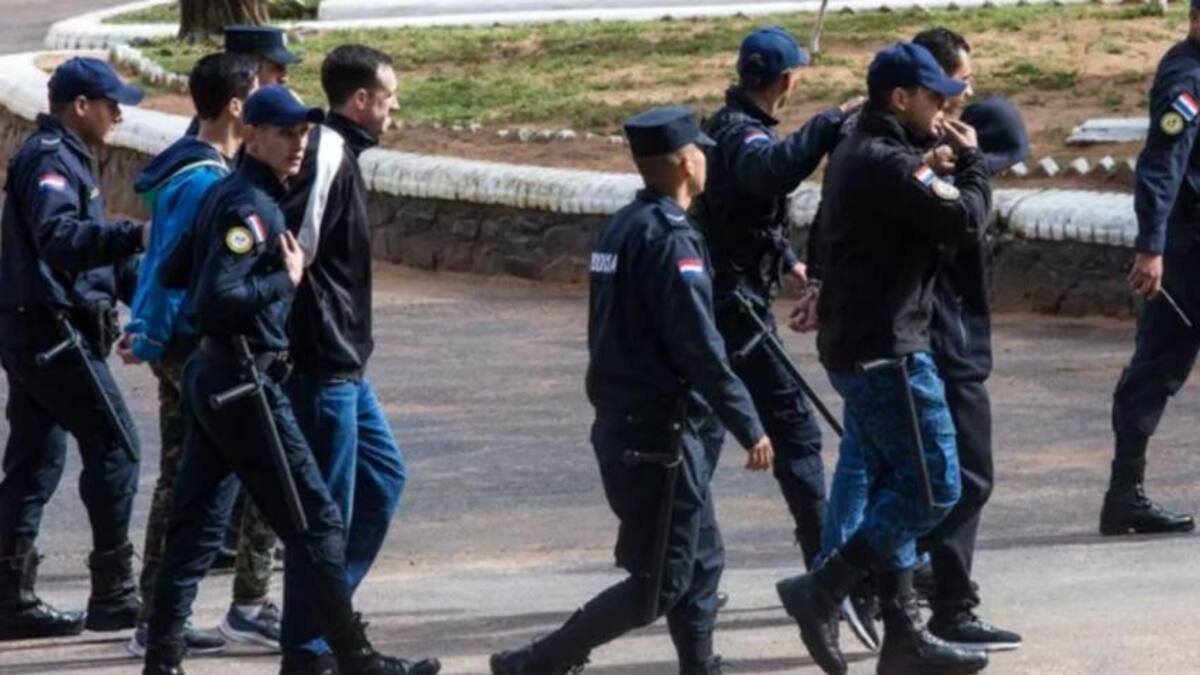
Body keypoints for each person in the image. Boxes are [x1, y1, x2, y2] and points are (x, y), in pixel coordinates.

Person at [140, 85, 441, 675]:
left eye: (303, 134)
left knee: (196, 524)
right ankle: (351, 656)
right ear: (251, 133)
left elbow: (176, 267)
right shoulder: (252, 206)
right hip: (243, 381)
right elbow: (216, 297)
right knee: (319, 521)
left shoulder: (232, 194)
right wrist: (287, 280)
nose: (298, 145)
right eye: (284, 134)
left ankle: (163, 657)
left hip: (216, 375)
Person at [489, 106, 774, 675]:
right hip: (657, 433)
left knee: (703, 558)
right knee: (658, 584)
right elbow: (699, 347)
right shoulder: (671, 241)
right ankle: (539, 662)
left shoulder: (623, 224)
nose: (706, 160)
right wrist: (749, 424)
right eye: (700, 152)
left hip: (635, 423)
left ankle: (701, 666)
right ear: (684, 163)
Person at [802, 28, 1026, 654]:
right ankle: (827, 585)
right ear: (900, 98)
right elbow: (962, 220)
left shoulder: (877, 151)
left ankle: (904, 634)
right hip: (889, 350)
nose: (948, 108)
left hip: (868, 342)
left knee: (898, 479)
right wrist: (976, 165)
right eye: (937, 97)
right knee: (936, 488)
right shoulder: (885, 160)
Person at [121, 52, 281, 657]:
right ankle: (218, 608)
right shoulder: (205, 181)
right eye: (261, 96)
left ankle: (164, 613)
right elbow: (176, 268)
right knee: (207, 478)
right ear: (237, 107)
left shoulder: (192, 169)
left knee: (186, 478)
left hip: (182, 342)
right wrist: (152, 333)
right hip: (196, 345)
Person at [696, 25, 856, 574]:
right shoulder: (742, 136)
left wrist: (788, 260)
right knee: (795, 432)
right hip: (734, 309)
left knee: (706, 433)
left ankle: (690, 565)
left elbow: (744, 213)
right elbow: (770, 173)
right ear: (786, 80)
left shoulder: (731, 124)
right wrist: (830, 123)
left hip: (731, 300)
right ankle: (828, 569)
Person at [0, 57, 147, 641]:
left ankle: (9, 598)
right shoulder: (50, 159)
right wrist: (132, 233)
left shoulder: (69, 157)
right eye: (110, 103)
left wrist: (141, 292)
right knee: (116, 444)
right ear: (80, 106)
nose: (118, 114)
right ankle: (114, 594)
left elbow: (94, 260)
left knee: (37, 459)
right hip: (46, 329)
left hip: (42, 324)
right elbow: (60, 241)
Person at [276, 44, 407, 674]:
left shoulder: (341, 152)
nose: (394, 108)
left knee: (382, 482)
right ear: (360, 101)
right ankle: (310, 647)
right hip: (321, 364)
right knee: (325, 517)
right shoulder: (326, 152)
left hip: (348, 365)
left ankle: (330, 625)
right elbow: (289, 250)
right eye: (388, 97)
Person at [1100, 0, 1200, 537]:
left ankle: (1123, 495)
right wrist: (1151, 247)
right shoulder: (1186, 79)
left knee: (1156, 365)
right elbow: (1162, 163)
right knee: (1157, 365)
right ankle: (1124, 495)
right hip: (1188, 252)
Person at [184, 25, 298, 137]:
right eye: (277, 67)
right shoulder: (216, 126)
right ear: (248, 69)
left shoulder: (291, 114)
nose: (285, 77)